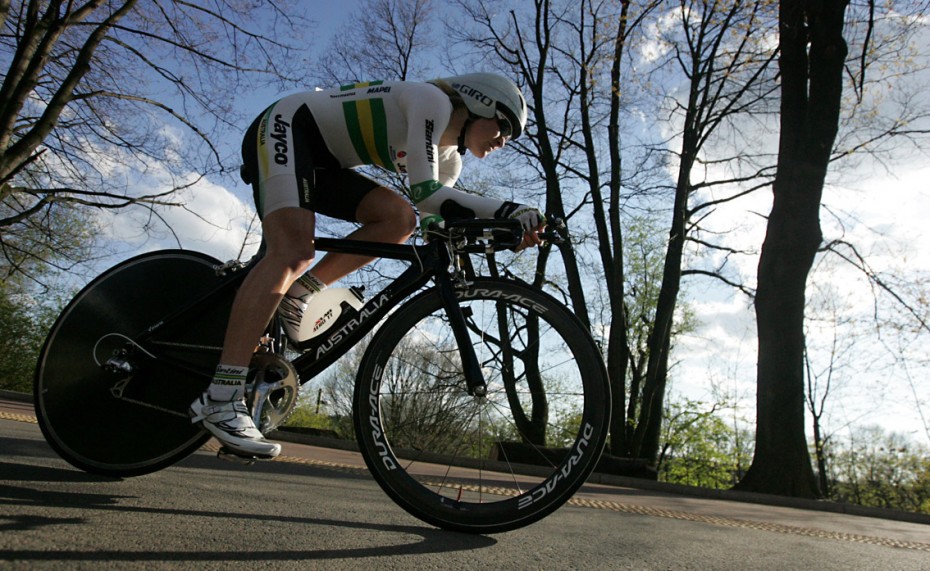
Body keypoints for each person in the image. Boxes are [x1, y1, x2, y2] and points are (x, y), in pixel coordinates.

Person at [189, 73, 546, 459]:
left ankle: (296, 294)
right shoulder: (432, 102)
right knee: (292, 251)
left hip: (321, 160)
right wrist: (510, 210)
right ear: (479, 102)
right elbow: (425, 191)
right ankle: (221, 397)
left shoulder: (449, 161)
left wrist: (505, 231)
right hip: (290, 125)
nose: (504, 140)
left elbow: (431, 218)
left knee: (399, 221)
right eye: (505, 125)